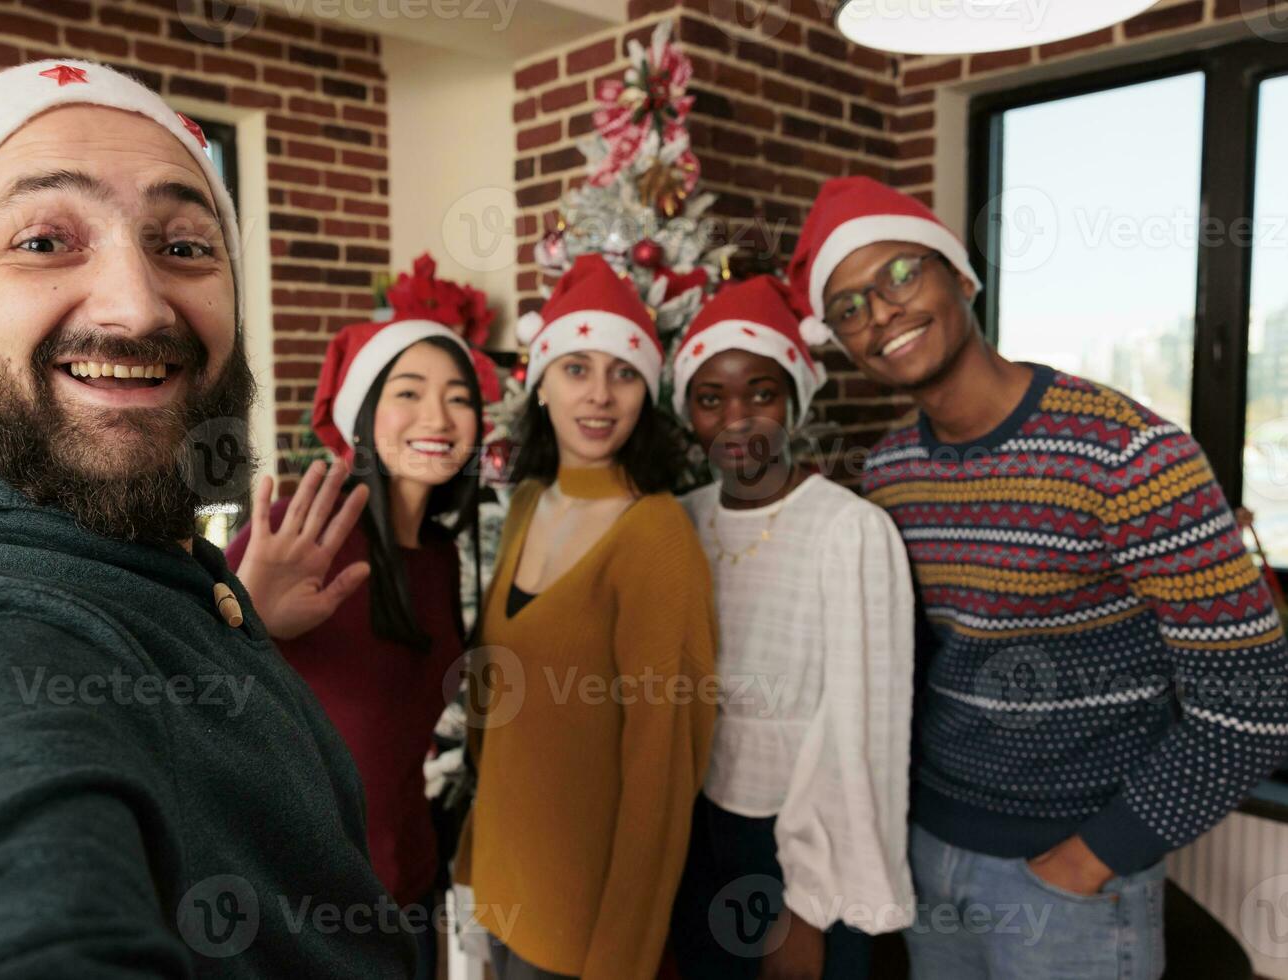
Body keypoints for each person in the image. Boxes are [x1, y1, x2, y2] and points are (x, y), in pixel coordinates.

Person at [0, 61, 413, 977]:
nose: (137, 306)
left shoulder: (170, 581)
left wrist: (238, 620)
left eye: (183, 246)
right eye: (46, 240)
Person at [787, 175, 1288, 979]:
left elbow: (1252, 705)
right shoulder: (888, 473)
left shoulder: (1131, 455)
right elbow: (900, 673)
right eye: (848, 307)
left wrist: (1093, 858)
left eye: (902, 274)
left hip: (1068, 881)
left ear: (962, 276)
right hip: (927, 856)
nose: (880, 312)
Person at [452, 254, 717, 980]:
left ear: (647, 394)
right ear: (539, 386)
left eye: (624, 373)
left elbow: (662, 771)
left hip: (581, 928)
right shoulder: (532, 501)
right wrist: (473, 864)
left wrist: (622, 958)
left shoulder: (655, 536)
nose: (600, 395)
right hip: (501, 890)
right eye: (576, 369)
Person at [666, 275, 915, 980]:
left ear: (796, 401)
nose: (738, 418)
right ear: (688, 412)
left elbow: (859, 728)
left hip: (795, 845)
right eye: (711, 399)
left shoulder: (848, 530)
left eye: (762, 393)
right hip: (698, 831)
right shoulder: (679, 519)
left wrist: (806, 905)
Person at [224, 316, 488, 978]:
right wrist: (245, 616)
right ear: (363, 417)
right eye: (409, 391)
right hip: (297, 907)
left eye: (460, 396)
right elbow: (169, 682)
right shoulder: (298, 533)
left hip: (407, 892)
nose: (439, 415)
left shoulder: (441, 554)